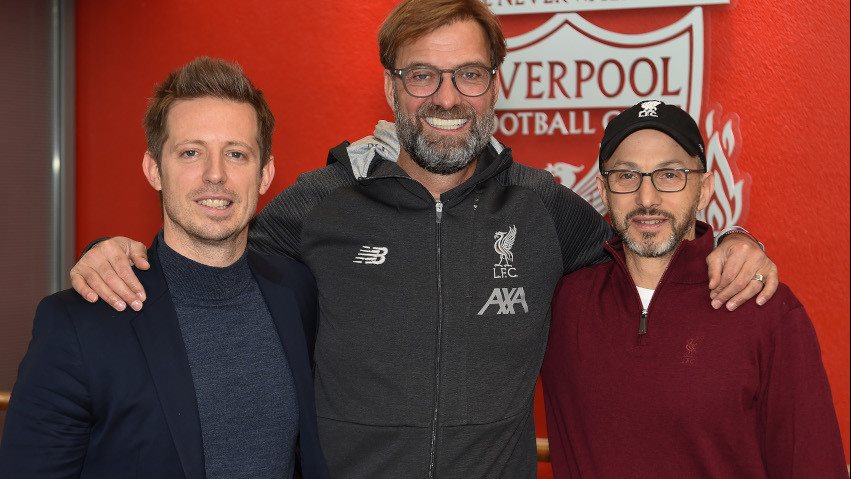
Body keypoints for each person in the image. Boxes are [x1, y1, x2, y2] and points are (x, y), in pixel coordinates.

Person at [67, 2, 779, 477]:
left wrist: (729, 237)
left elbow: (644, 252)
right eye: (421, 75)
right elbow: (211, 253)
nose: (445, 97)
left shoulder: (543, 207)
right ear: (390, 87)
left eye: (468, 74)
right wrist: (122, 251)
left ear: (494, 86)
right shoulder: (320, 203)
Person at [0, 57, 329, 479]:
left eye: (236, 154)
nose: (215, 174)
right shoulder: (78, 323)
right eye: (191, 153)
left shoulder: (298, 294)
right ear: (154, 169)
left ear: (265, 174)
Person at [541, 100, 846, 478]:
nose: (647, 198)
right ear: (603, 190)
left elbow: (812, 465)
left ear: (704, 189)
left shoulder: (765, 309)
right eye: (627, 175)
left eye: (670, 175)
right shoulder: (560, 303)